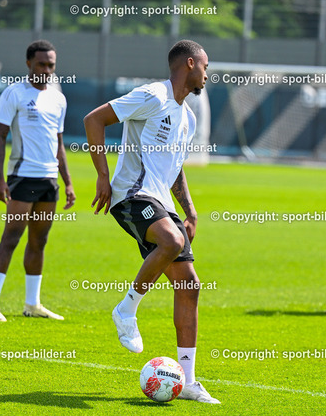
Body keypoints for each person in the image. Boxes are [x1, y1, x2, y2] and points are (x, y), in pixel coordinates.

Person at [83, 40, 219, 404]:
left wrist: (189, 210)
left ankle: (188, 381)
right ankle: (126, 309)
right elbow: (94, 120)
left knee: (189, 285)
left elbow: (174, 169)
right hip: (131, 194)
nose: (207, 74)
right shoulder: (152, 96)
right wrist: (102, 176)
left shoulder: (188, 118)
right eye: (205, 67)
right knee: (172, 241)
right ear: (189, 64)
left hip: (161, 201)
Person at [0, 40, 75, 322]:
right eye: (41, 64)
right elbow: (0, 136)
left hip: (49, 179)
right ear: (28, 64)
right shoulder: (15, 93)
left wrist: (68, 182)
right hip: (22, 177)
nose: (46, 70)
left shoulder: (58, 99)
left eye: (51, 65)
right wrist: (0, 179)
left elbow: (59, 143)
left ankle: (32, 304)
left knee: (39, 241)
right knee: (11, 237)